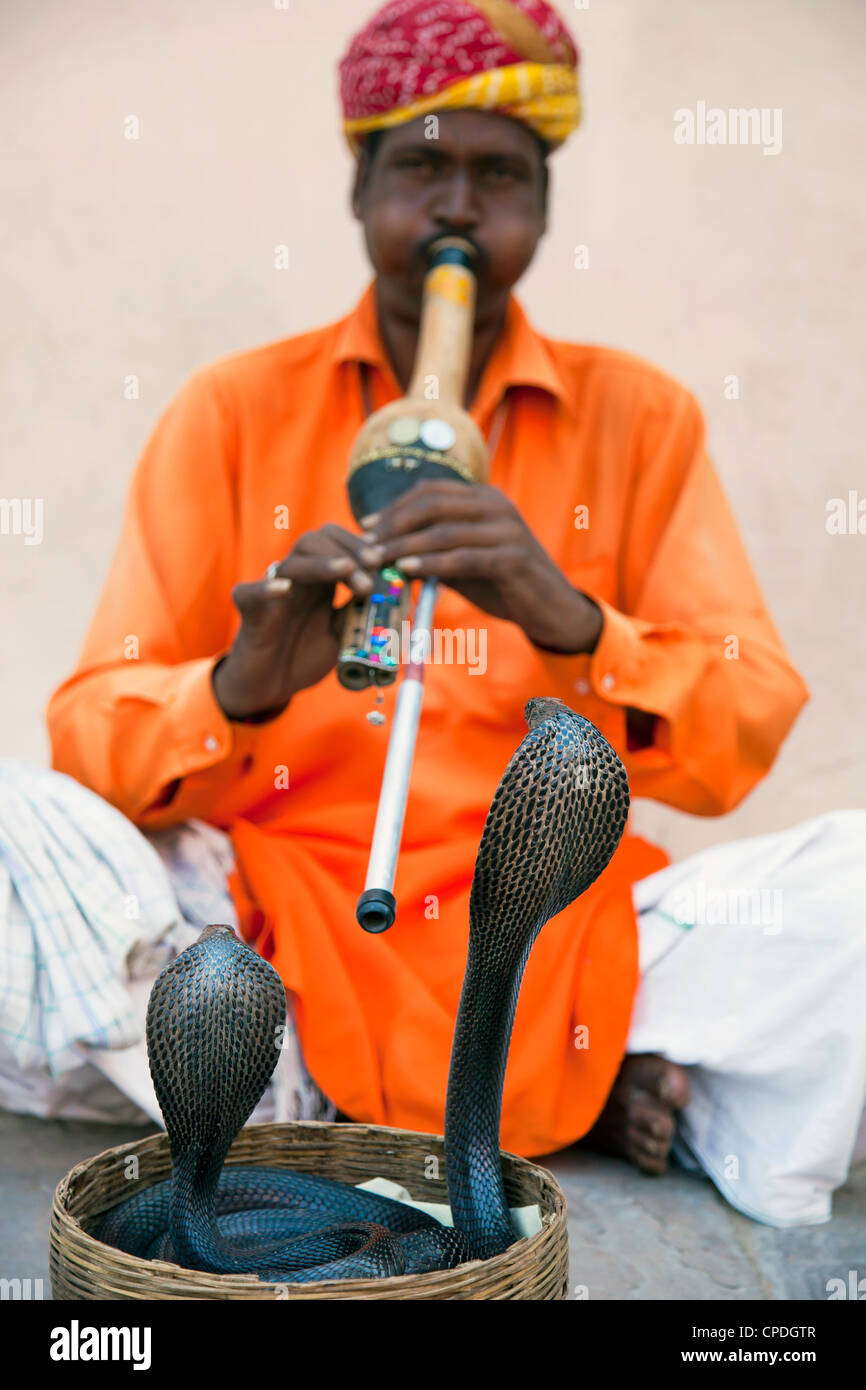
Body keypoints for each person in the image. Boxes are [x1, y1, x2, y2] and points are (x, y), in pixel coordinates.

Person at [37, 0, 866, 1226]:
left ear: (542, 199)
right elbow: (88, 733)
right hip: (272, 923)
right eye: (420, 165)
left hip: (561, 939)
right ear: (358, 183)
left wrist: (567, 612)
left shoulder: (638, 417)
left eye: (500, 175)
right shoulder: (232, 409)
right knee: (20, 833)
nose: (458, 208)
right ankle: (550, 1096)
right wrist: (240, 685)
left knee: (848, 884)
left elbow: (743, 714)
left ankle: (309, 1103)